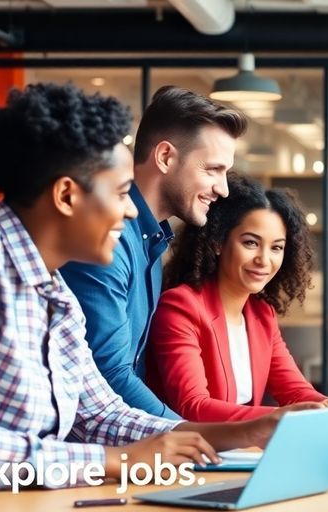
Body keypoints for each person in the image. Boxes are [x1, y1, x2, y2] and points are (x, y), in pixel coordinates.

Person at [0, 84, 314, 510]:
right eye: (122, 192)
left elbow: (101, 412)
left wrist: (250, 431)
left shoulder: (54, 293)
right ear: (67, 195)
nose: (131, 212)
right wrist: (119, 460)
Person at [61, 86, 246, 419]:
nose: (223, 188)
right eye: (213, 170)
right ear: (165, 157)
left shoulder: (152, 241)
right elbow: (110, 376)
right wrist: (192, 440)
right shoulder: (108, 239)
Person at [147, 173, 328, 421]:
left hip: (238, 447)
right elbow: (193, 407)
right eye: (251, 243)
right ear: (218, 242)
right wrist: (277, 416)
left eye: (276, 247)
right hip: (188, 451)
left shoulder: (261, 313)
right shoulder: (181, 307)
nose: (264, 260)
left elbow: (294, 390)